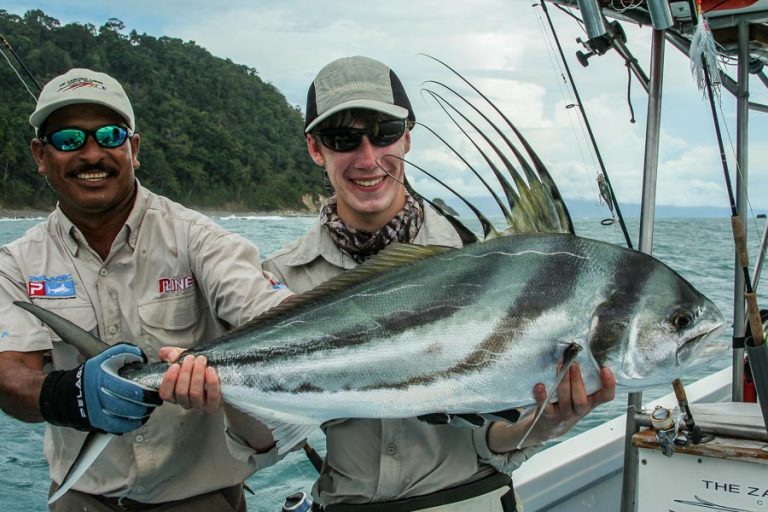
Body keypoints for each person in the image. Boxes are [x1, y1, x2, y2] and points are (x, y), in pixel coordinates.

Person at [169, 56, 616, 511]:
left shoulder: (478, 263)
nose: (367, 158)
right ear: (315, 149)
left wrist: (548, 422)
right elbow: (264, 448)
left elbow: (494, 440)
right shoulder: (282, 278)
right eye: (342, 138)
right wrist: (222, 392)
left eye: (383, 132)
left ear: (407, 136)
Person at [0, 68, 293, 511]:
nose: (92, 154)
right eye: (68, 140)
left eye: (110, 135)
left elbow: (268, 312)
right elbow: (9, 378)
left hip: (200, 498)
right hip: (83, 498)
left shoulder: (200, 238)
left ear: (133, 149)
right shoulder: (16, 263)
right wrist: (73, 394)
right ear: (41, 155)